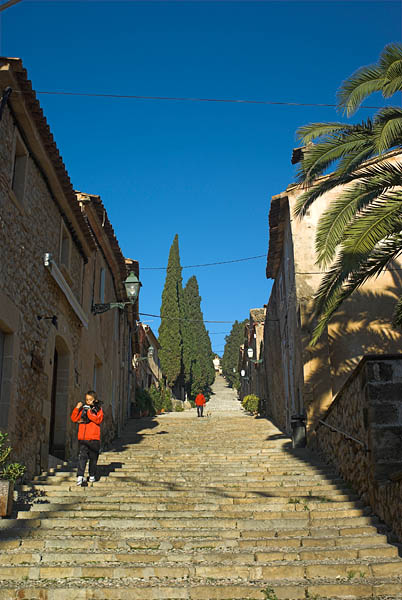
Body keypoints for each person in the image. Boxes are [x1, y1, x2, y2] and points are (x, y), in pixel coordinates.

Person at [71, 390, 104, 486]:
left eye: (90, 400)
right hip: (83, 438)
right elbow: (74, 418)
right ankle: (80, 475)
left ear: (95, 400)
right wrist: (77, 408)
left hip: (94, 439)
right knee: (82, 457)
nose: (88, 401)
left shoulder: (98, 410)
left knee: (93, 458)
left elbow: (98, 420)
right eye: (87, 400)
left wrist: (89, 412)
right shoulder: (83, 409)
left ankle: (92, 475)